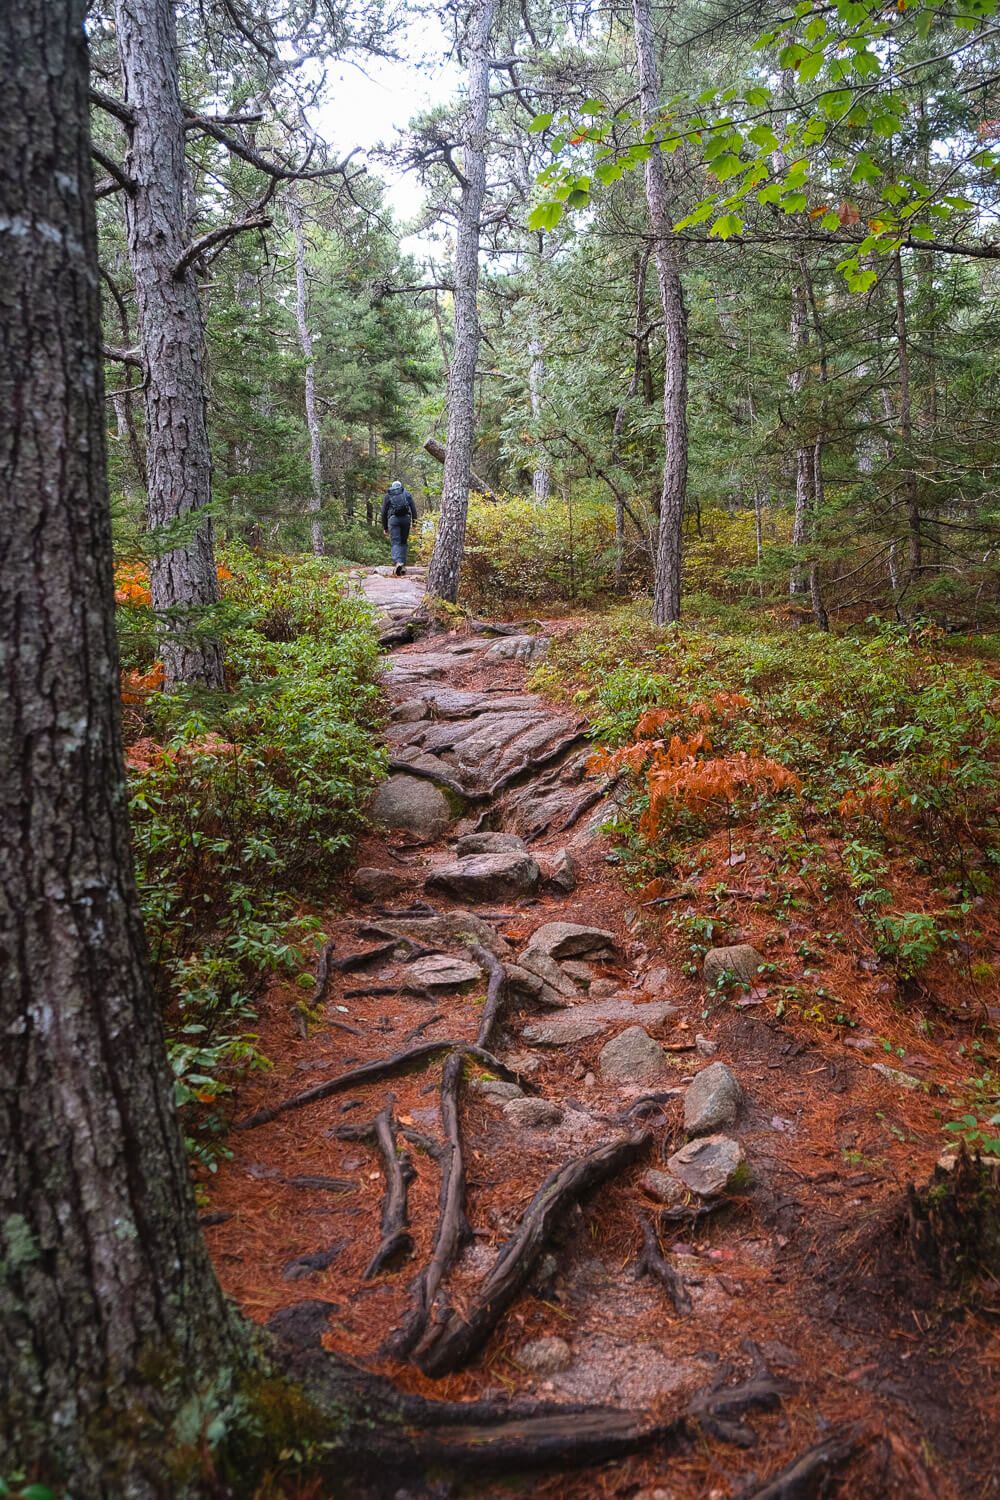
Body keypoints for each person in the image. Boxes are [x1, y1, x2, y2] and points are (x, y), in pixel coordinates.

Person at [380, 479, 418, 575]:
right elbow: (413, 509)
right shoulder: (407, 494)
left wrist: (385, 527)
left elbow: (384, 512)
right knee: (403, 542)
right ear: (401, 486)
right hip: (406, 519)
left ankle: (398, 562)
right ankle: (402, 565)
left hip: (393, 520)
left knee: (396, 541)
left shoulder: (388, 495)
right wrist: (414, 524)